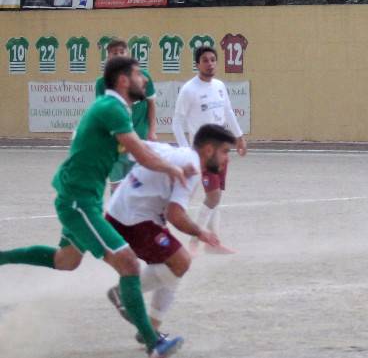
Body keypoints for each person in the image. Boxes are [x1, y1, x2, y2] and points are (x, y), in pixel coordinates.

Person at [0, 56, 190, 357]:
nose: (144, 81)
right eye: (139, 75)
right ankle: (153, 342)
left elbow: (133, 152)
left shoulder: (115, 109)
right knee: (128, 263)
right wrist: (174, 168)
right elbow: (140, 154)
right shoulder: (113, 108)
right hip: (78, 201)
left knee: (66, 260)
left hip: (79, 197)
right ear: (124, 80)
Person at [105, 124, 233, 342]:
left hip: (124, 212)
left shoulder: (176, 152)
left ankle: (150, 330)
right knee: (180, 262)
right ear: (209, 150)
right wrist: (201, 232)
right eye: (225, 152)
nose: (227, 159)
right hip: (132, 220)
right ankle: (123, 295)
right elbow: (176, 215)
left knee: (175, 264)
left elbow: (135, 146)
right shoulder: (192, 165)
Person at [171, 46, 247, 254]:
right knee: (213, 197)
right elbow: (177, 122)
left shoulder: (220, 86)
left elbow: (228, 112)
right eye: (205, 60)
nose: (210, 63)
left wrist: (239, 137)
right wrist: (186, 152)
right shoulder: (189, 90)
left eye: (213, 59)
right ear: (197, 64)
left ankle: (213, 243)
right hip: (203, 154)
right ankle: (197, 240)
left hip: (221, 151)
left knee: (217, 196)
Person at [96, 38, 158, 193]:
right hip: (115, 143)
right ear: (108, 56)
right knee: (117, 188)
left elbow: (151, 104)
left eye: (121, 52)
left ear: (128, 54)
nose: (118, 55)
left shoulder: (143, 78)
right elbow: (102, 113)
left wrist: (152, 131)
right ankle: (115, 216)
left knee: (138, 184)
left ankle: (135, 216)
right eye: (114, 53)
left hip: (139, 138)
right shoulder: (101, 83)